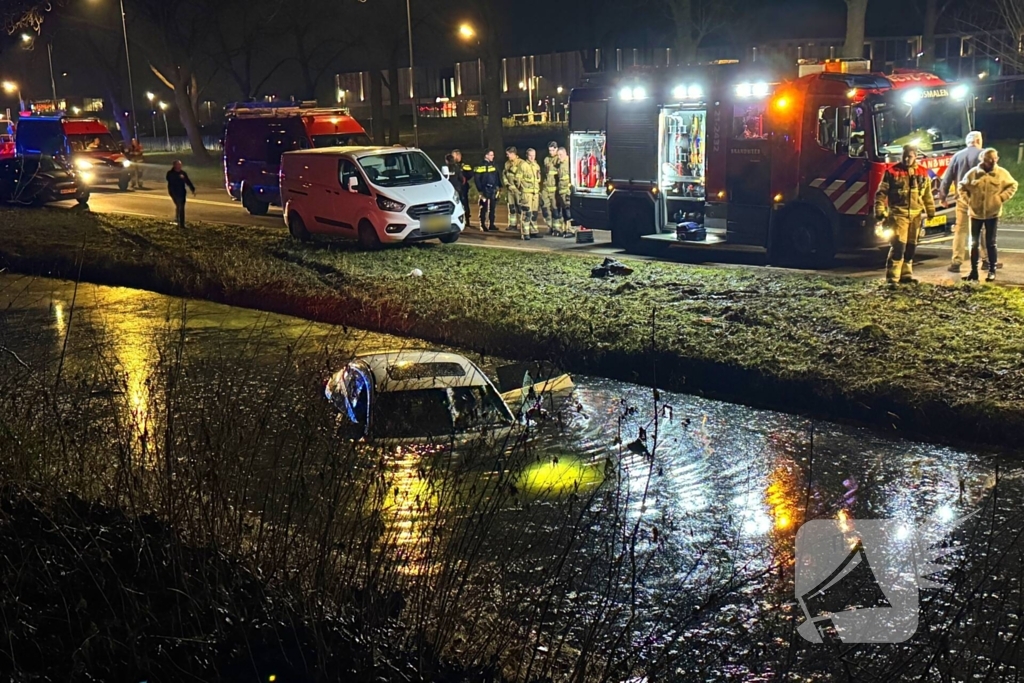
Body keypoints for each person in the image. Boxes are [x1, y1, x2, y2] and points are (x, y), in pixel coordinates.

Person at [873, 145, 935, 284]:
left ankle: (906, 275)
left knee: (911, 246)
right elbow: (881, 193)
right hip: (898, 215)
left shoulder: (922, 172)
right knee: (899, 246)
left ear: (916, 157)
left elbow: (926, 194)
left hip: (916, 216)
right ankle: (892, 278)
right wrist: (879, 210)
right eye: (905, 156)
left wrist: (930, 210)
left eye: (910, 156)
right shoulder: (892, 172)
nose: (907, 159)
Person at [957, 148, 1018, 282]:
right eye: (988, 159)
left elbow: (1013, 185)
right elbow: (961, 187)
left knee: (991, 242)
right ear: (982, 160)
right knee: (973, 243)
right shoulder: (973, 173)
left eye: (994, 159)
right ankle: (974, 271)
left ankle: (992, 270)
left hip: (992, 213)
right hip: (975, 214)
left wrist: (1001, 198)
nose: (991, 162)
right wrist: (969, 201)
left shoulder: (1001, 173)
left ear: (997, 159)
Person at [939, 131, 984, 273]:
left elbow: (947, 179)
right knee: (981, 229)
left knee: (960, 230)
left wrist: (943, 197)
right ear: (978, 140)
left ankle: (956, 261)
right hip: (980, 199)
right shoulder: (984, 155)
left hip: (962, 199)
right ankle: (986, 260)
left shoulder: (957, 156)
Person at [473, 150, 499, 232]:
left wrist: (499, 186)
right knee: (483, 208)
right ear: (486, 156)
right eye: (491, 155)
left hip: (493, 189)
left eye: (493, 155)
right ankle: (482, 225)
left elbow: (496, 176)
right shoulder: (480, 165)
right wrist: (480, 190)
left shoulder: (493, 165)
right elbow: (477, 179)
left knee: (492, 208)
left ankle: (491, 224)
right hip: (484, 189)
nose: (493, 156)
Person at [166, 160, 196, 228]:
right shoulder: (170, 173)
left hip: (182, 192)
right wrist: (178, 178)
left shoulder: (183, 173)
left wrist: (192, 189)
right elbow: (170, 180)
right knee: (180, 206)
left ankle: (179, 221)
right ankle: (180, 223)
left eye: (180, 165)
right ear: (174, 165)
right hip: (174, 192)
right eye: (178, 165)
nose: (179, 166)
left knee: (181, 207)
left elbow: (187, 181)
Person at [519, 148, 542, 240]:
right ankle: (525, 233)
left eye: (533, 155)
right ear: (527, 156)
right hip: (526, 193)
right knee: (527, 213)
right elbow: (518, 180)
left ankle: (533, 231)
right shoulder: (523, 165)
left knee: (534, 213)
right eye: (530, 155)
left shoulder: (536, 166)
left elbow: (538, 179)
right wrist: (521, 189)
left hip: (535, 193)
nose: (532, 157)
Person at [540, 141, 561, 235]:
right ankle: (550, 226)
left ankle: (557, 228)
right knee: (545, 208)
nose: (551, 152)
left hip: (554, 189)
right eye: (549, 150)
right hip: (545, 188)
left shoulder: (559, 159)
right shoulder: (546, 159)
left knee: (555, 209)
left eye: (552, 150)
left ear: (556, 149)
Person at [502, 146, 524, 233]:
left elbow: (521, 177)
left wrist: (516, 186)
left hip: (518, 191)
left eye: (508, 154)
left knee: (520, 208)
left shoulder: (521, 163)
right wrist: (507, 184)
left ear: (513, 154)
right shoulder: (507, 163)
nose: (507, 156)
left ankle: (522, 224)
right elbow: (504, 175)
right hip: (510, 190)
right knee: (511, 208)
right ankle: (512, 225)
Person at [451, 149, 472, 226]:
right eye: (456, 155)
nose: (458, 157)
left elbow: (470, 174)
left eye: (459, 155)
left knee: (465, 203)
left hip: (463, 187)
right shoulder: (451, 166)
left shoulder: (464, 165)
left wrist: (465, 179)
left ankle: (467, 219)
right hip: (455, 188)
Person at [556, 147, 573, 237]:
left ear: (565, 154)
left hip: (567, 191)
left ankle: (570, 230)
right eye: (558, 155)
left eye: (560, 155)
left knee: (568, 211)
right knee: (563, 211)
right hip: (561, 191)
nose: (559, 157)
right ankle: (564, 229)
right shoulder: (560, 164)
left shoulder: (569, 163)